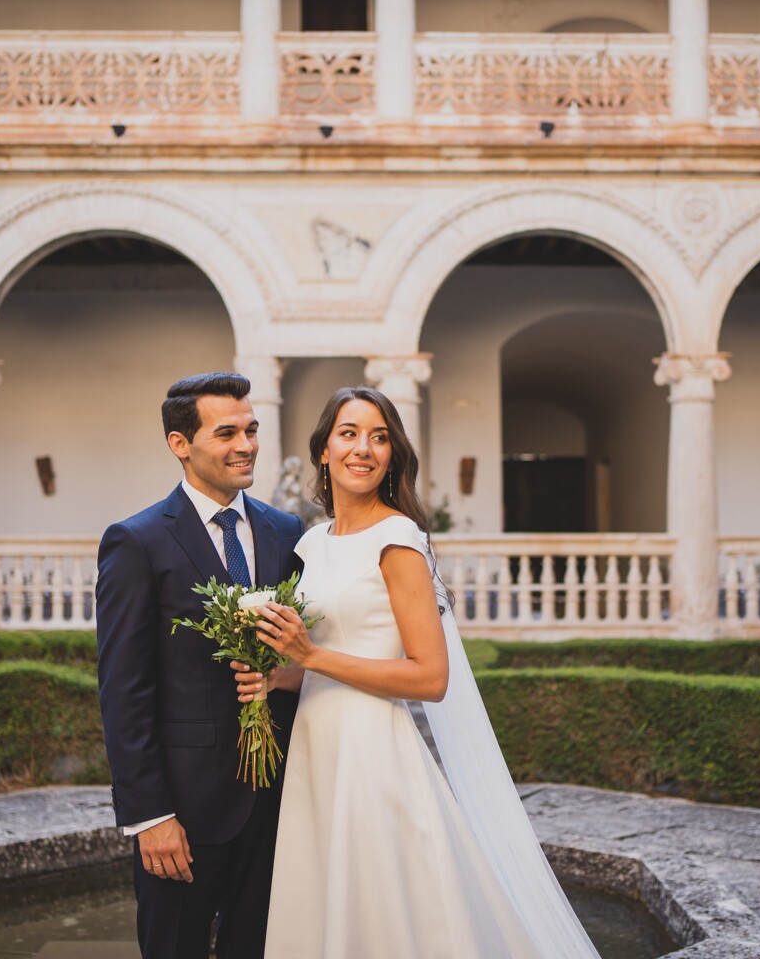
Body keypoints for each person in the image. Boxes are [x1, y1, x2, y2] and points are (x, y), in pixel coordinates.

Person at [233, 386, 602, 959]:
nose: (365, 448)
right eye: (350, 433)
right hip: (316, 744)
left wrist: (310, 657)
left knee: (390, 913)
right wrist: (280, 676)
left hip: (374, 752)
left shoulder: (398, 539)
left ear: (393, 455)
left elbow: (431, 677)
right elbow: (328, 655)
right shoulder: (313, 543)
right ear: (324, 450)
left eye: (380, 437)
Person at [95, 372, 305, 959]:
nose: (247, 445)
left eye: (252, 430)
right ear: (179, 443)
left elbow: (299, 655)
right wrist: (149, 816)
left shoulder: (286, 531)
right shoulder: (135, 542)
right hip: (182, 812)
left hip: (276, 803)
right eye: (227, 432)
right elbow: (123, 691)